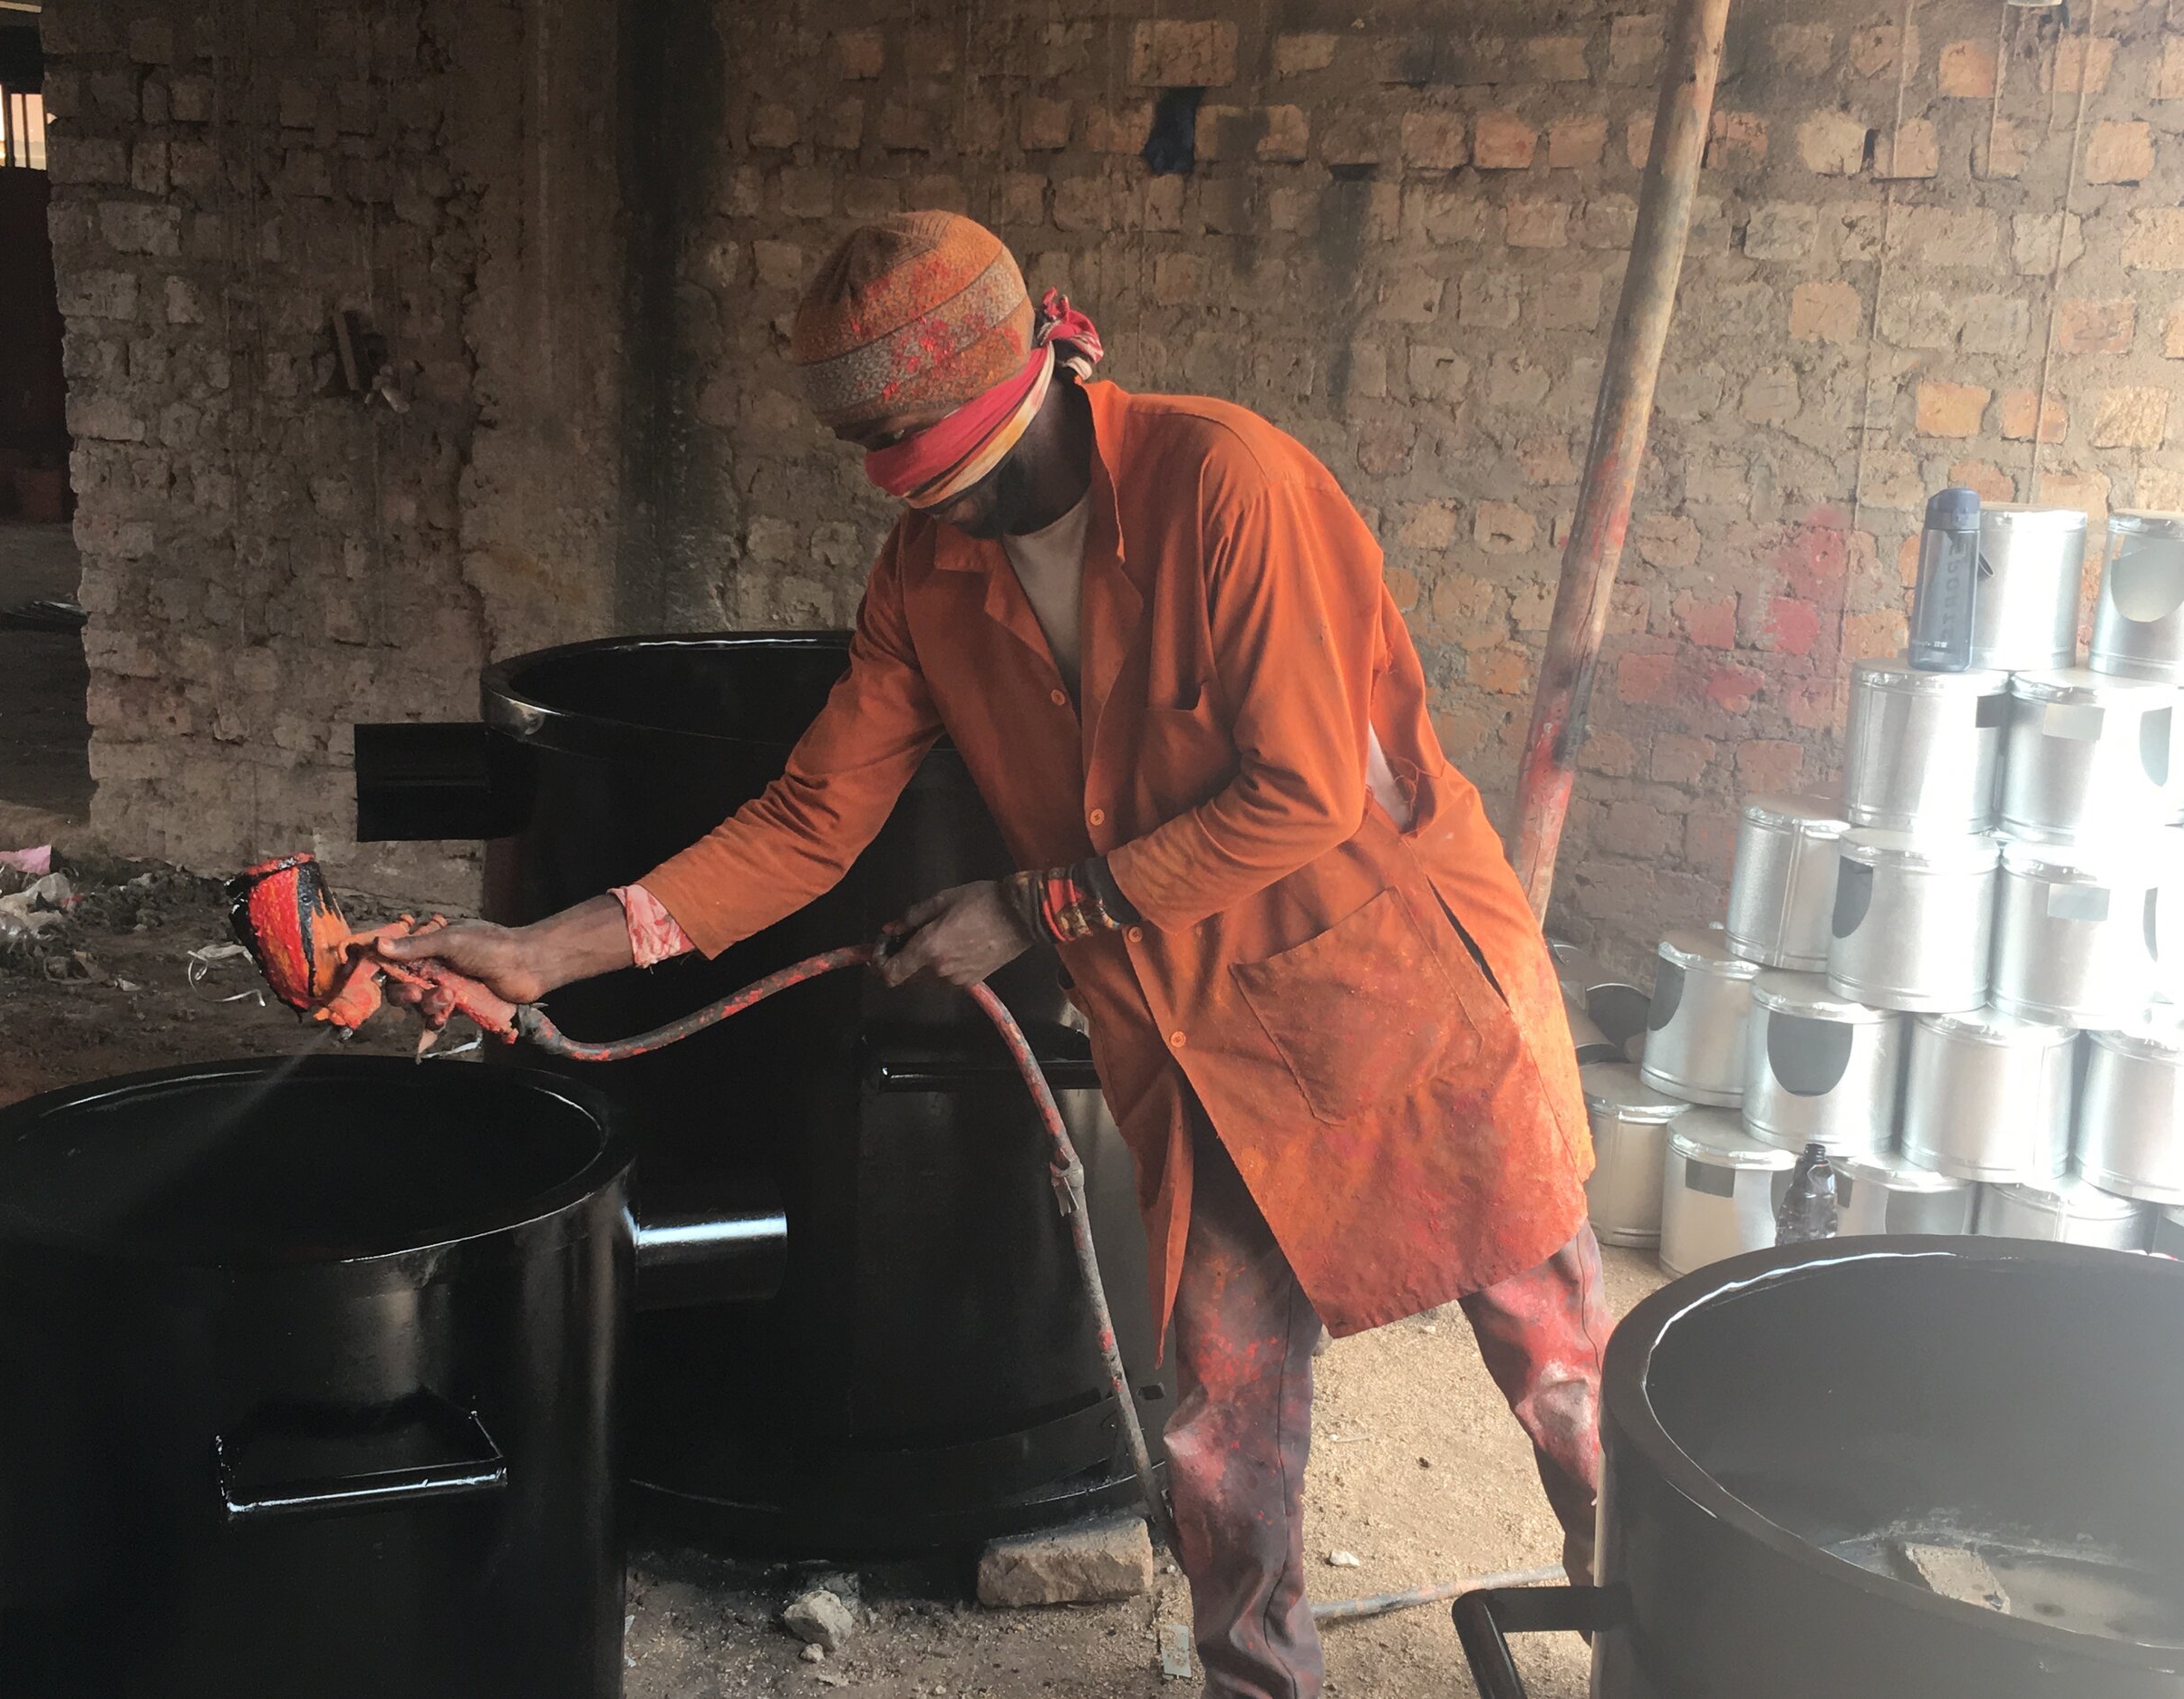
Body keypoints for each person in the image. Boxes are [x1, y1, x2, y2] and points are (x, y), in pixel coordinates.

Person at [382, 211, 1609, 1699]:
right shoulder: (926, 574)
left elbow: (1302, 794)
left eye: (941, 468)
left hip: (1394, 988)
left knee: (1559, 1371)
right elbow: (811, 820)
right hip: (1207, 1044)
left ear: (1034, 378)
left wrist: (1033, 910)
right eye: (893, 473)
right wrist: (544, 951)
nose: (927, 507)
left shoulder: (1228, 485)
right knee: (1221, 1438)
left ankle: (1662, 1632)